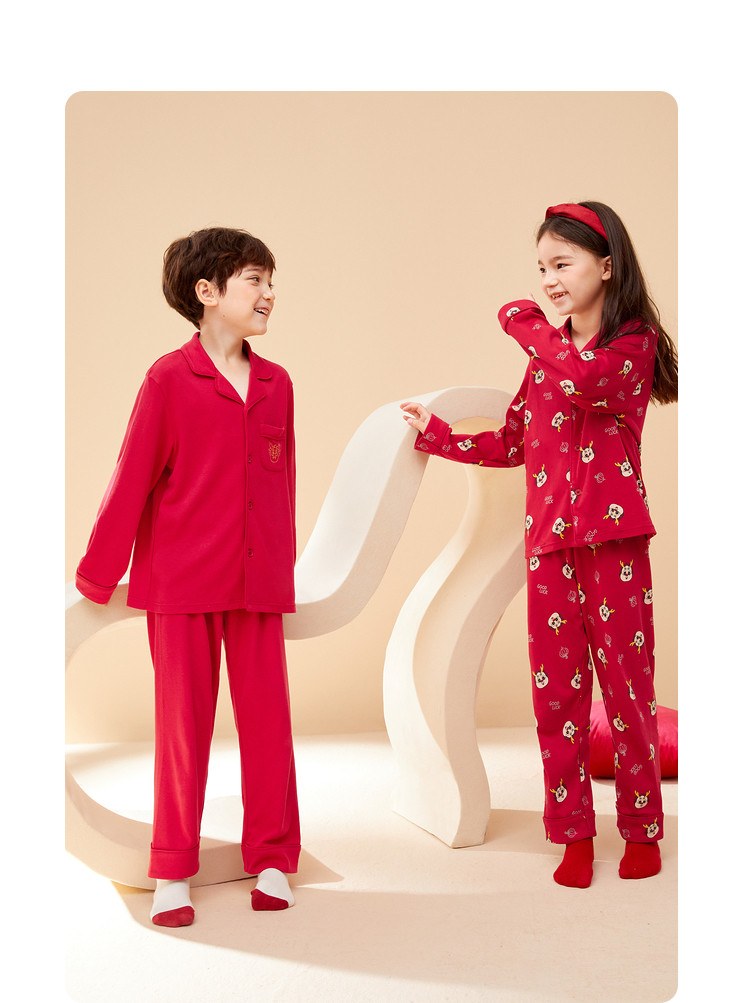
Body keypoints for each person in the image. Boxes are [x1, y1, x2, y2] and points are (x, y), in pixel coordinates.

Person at [401, 202, 677, 888]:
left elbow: (586, 380)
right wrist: (438, 436)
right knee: (556, 699)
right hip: (549, 543)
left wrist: (522, 322)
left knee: (628, 692)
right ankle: (573, 833)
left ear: (606, 266)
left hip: (614, 541)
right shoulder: (545, 357)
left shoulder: (632, 344)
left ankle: (642, 828)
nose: (549, 280)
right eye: (541, 268)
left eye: (563, 263)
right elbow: (513, 441)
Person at [75, 227, 300, 925]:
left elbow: (282, 489)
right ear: (207, 291)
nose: (269, 293)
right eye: (255, 279)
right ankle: (172, 866)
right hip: (181, 583)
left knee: (268, 724)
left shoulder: (277, 384)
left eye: (271, 281)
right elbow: (132, 477)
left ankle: (273, 856)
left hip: (257, 585)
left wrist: (282, 572)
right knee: (182, 729)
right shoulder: (168, 378)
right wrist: (97, 574)